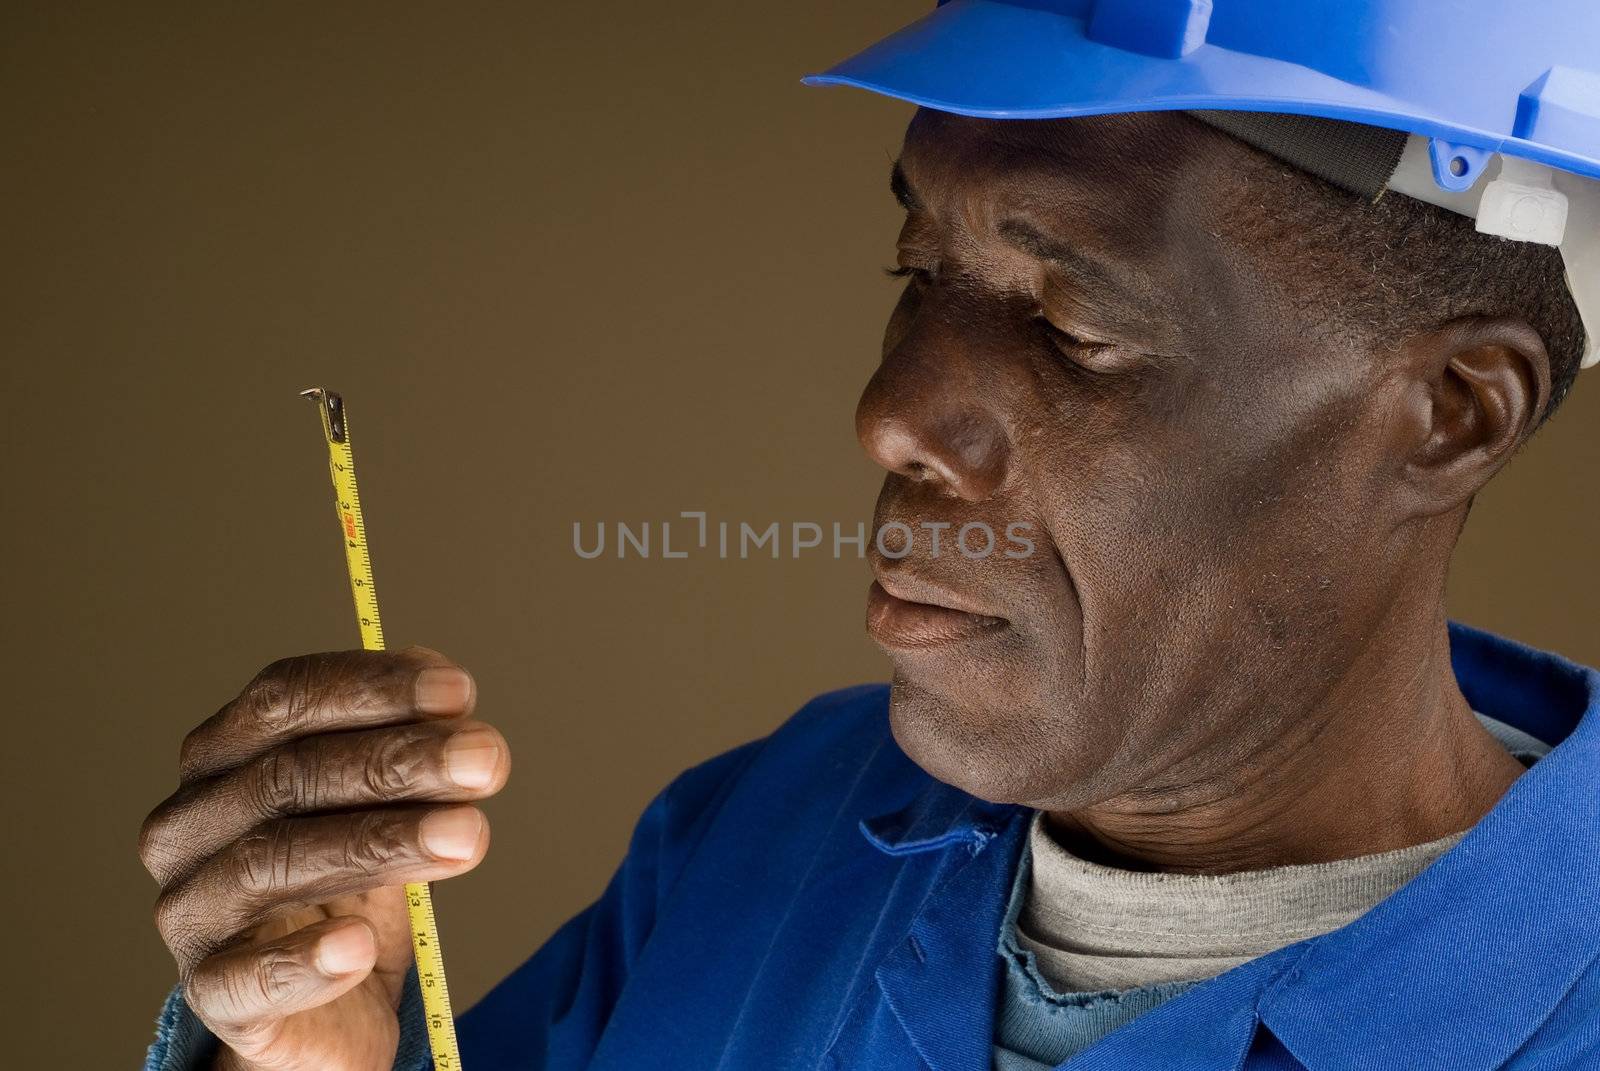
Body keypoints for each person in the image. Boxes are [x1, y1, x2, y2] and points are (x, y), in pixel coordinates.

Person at [141, 3, 1600, 1069]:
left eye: (1069, 322)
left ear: (1451, 414)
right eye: (918, 271)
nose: (894, 412)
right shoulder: (772, 829)